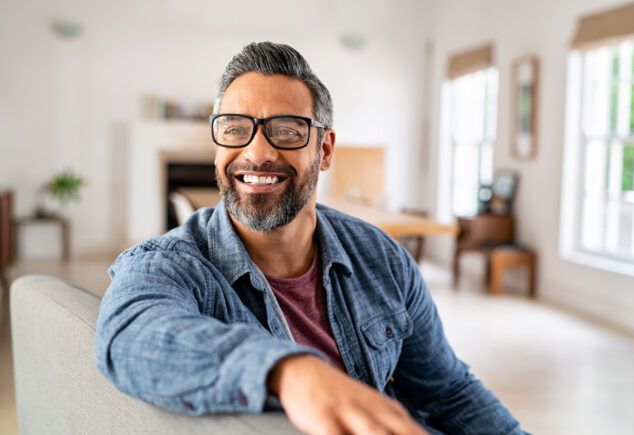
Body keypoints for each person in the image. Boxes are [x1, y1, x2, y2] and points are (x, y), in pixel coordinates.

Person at [94, 42, 524, 435]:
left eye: (286, 130)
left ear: (325, 150)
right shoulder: (169, 262)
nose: (257, 152)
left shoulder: (383, 258)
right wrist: (290, 372)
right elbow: (129, 336)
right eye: (234, 127)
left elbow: (447, 391)